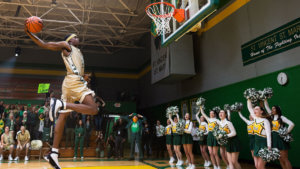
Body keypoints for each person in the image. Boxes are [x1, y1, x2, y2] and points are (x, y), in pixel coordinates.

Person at [25, 21, 98, 169]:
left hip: (72, 82)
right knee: (94, 109)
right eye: (75, 36)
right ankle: (60, 104)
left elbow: (75, 68)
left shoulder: (77, 52)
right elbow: (45, 44)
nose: (78, 38)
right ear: (70, 40)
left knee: (63, 117)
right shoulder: (66, 46)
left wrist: (84, 77)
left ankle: (54, 152)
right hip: (73, 82)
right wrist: (29, 33)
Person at [264, 100, 294, 169]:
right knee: (279, 158)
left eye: (274, 108)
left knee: (285, 158)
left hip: (280, 139)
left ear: (277, 110)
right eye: (272, 109)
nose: (272, 110)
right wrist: (265, 99)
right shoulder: (271, 117)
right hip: (274, 139)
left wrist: (285, 132)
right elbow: (266, 107)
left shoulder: (281, 117)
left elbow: (292, 124)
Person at [247, 99, 271, 169]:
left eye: (257, 109)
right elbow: (249, 108)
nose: (254, 110)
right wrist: (248, 98)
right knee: (257, 166)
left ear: (261, 111)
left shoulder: (265, 121)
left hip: (263, 143)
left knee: (261, 166)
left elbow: (268, 135)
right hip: (256, 143)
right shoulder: (255, 119)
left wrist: (269, 146)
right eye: (254, 109)